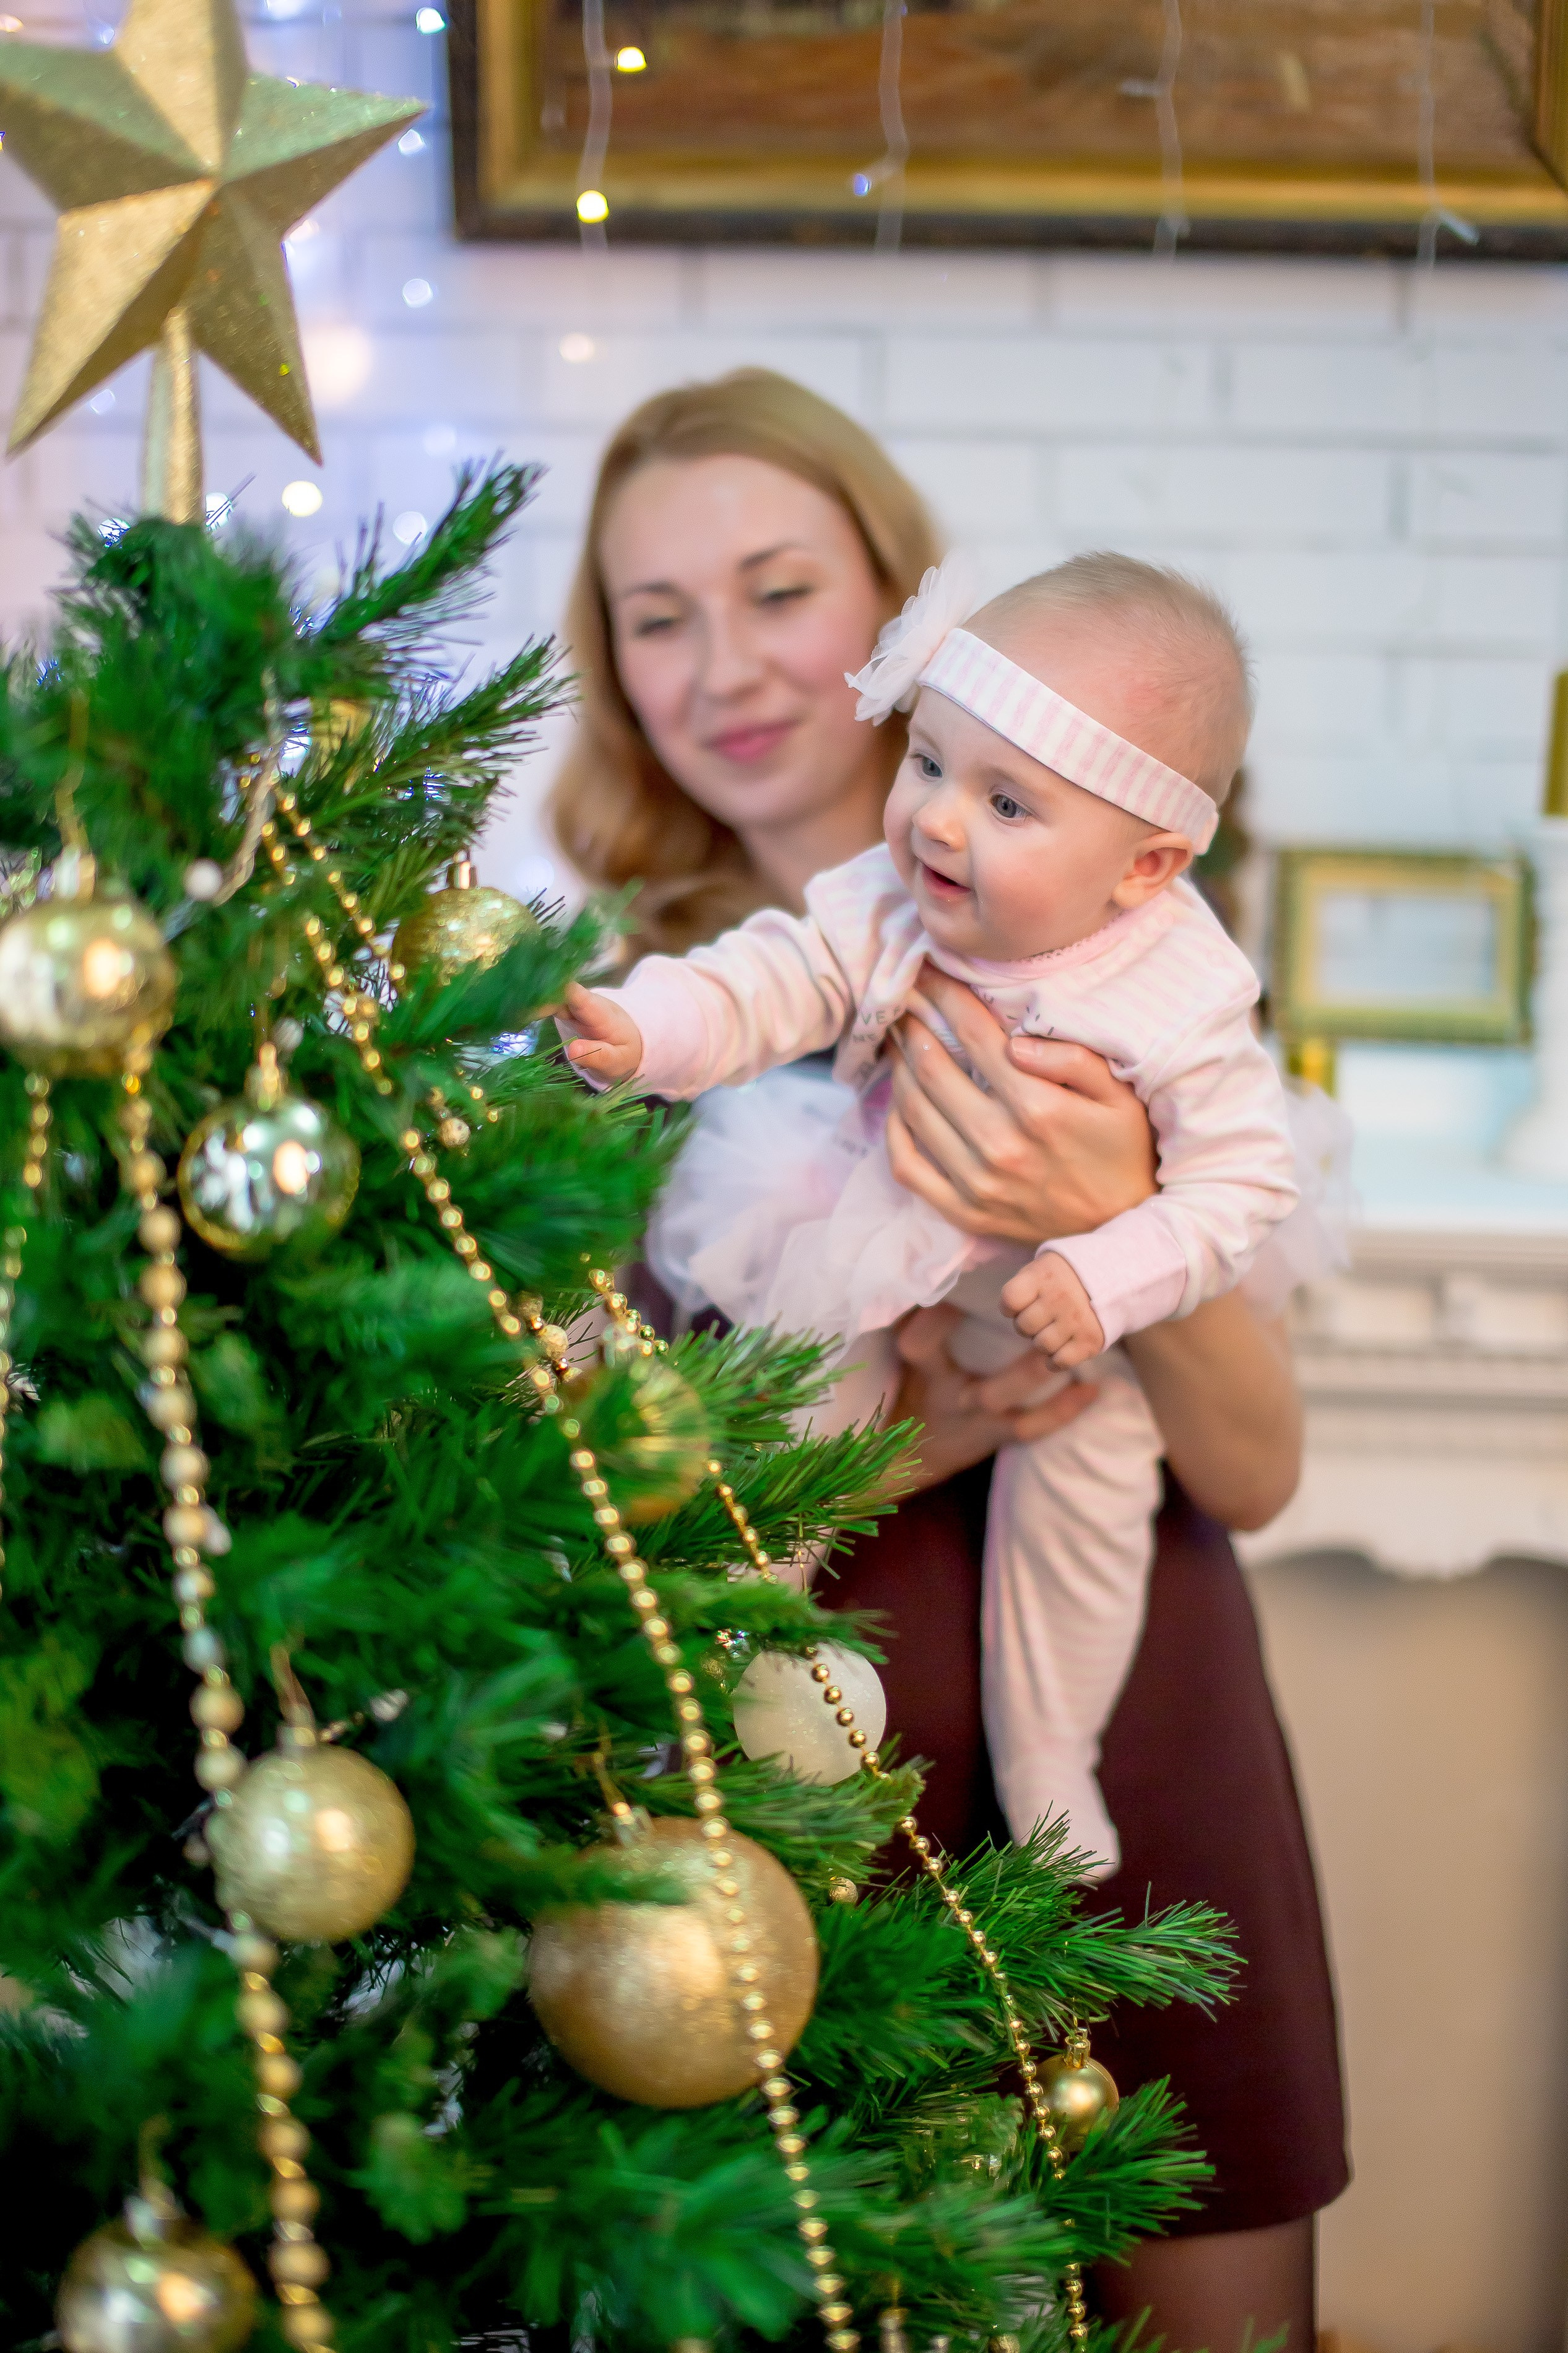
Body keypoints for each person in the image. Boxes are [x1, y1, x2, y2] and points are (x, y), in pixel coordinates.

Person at [547, 368, 1348, 2353]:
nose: (721, 667)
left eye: (773, 587)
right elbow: (600, 1523)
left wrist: (1105, 1217)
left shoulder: (1142, 970)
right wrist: (922, 1428)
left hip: (1120, 1713)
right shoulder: (620, 1008)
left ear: (902, 612)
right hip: (783, 1788)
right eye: (654, 617)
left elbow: (1250, 1474)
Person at [561, 550, 1301, 1881]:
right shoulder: (889, 899)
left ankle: (1050, 1748)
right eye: (929, 765)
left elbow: (1242, 1188)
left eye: (1006, 800)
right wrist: (644, 1027)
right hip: (884, 1241)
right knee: (794, 1389)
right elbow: (771, 977)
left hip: (1078, 1311)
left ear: (1146, 866)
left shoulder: (1184, 996)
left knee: (1086, 1485)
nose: (938, 823)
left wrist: (1111, 1257)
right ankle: (725, 1653)